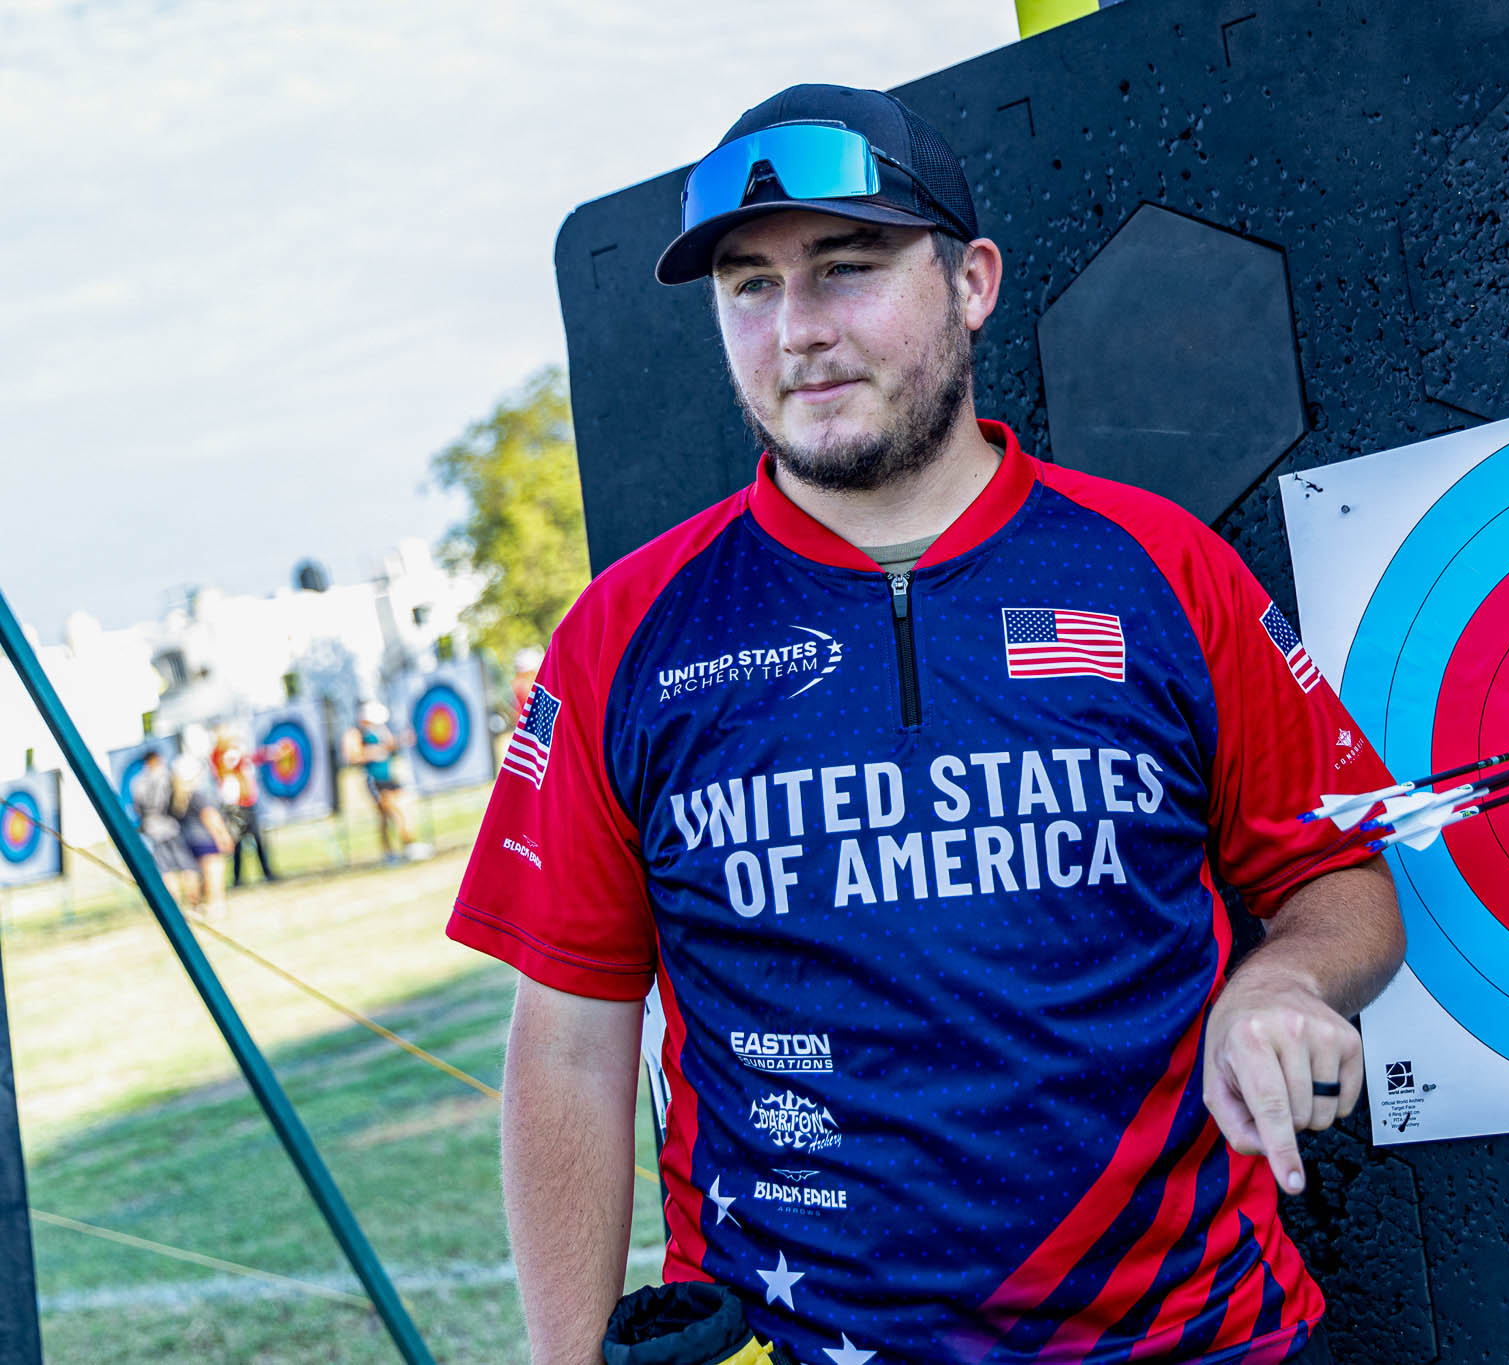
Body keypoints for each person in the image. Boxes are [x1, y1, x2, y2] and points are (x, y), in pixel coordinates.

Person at [447, 84, 1406, 1364]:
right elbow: (568, 1041)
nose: (795, 331)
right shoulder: (625, 635)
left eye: (844, 269)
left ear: (971, 282)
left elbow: (1341, 878)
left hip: (1189, 1337)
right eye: (748, 287)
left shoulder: (1157, 570)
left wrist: (1281, 983)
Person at [344, 701, 429, 864]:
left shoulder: (380, 728)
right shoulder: (356, 733)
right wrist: (373, 752)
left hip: (389, 776)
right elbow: (353, 756)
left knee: (403, 808)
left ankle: (408, 845)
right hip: (374, 779)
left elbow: (389, 745)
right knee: (388, 814)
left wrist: (401, 740)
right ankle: (393, 851)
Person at [212, 728, 279, 886]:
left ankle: (266, 872)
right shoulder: (223, 756)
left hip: (246, 803)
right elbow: (247, 758)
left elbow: (250, 758)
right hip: (236, 807)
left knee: (257, 840)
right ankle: (237, 878)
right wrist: (269, 753)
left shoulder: (231, 755)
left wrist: (270, 754)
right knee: (237, 843)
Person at [130, 747, 197, 904]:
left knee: (166, 870)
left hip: (152, 828)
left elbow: (137, 808)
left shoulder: (137, 782)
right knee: (186, 866)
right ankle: (194, 905)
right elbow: (179, 801)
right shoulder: (167, 775)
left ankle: (176, 906)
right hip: (171, 825)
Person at [171, 754, 232, 918]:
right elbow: (210, 816)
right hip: (205, 837)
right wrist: (223, 835)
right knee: (214, 872)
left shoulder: (178, 794)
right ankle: (216, 905)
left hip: (188, 838)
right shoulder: (199, 792)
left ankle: (195, 906)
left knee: (192, 874)